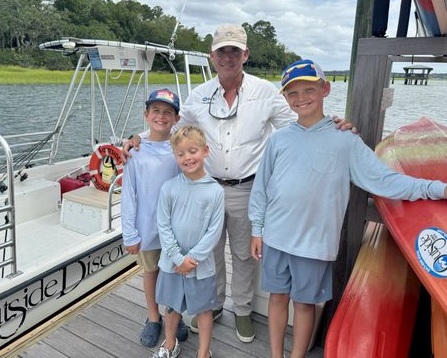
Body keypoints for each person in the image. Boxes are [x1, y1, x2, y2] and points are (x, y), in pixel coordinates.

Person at [124, 24, 355, 343]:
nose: (228, 57)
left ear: (245, 54)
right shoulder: (199, 95)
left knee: (245, 255)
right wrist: (140, 137)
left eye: (234, 50)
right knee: (208, 251)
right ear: (212, 56)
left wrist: (335, 125)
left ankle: (243, 310)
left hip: (249, 188)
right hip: (206, 188)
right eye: (222, 51)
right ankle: (215, 303)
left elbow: (301, 122)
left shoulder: (266, 92)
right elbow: (169, 125)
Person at [249, 59, 447, 358]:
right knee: (277, 298)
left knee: (304, 304)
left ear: (325, 89)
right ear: (285, 98)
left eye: (309, 89)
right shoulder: (278, 140)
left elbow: (385, 180)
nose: (301, 97)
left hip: (313, 245)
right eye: (293, 93)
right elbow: (261, 189)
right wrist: (256, 229)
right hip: (275, 238)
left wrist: (437, 188)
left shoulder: (346, 140)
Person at [121, 88, 188, 348]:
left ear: (177, 118)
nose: (161, 117)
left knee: (175, 275)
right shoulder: (136, 151)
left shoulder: (181, 148)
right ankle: (153, 316)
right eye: (156, 111)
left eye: (168, 112)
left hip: (177, 229)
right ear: (146, 115)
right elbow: (129, 195)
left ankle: (174, 315)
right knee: (151, 272)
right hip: (147, 227)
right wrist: (130, 234)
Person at [151, 125, 224, 358]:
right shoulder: (169, 188)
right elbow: (163, 226)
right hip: (172, 263)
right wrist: (177, 258)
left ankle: (204, 352)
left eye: (192, 151)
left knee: (204, 310)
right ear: (175, 156)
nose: (187, 157)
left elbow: (214, 231)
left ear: (205, 151)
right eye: (180, 153)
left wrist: (191, 259)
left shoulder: (215, 191)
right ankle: (170, 342)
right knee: (171, 306)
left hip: (200, 266)